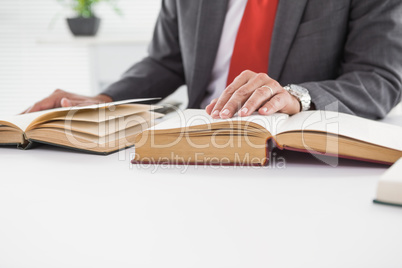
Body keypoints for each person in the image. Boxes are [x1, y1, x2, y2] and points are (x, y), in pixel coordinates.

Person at [24, 0, 402, 120]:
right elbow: (165, 61)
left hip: (301, 152)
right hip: (194, 138)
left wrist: (296, 97)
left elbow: (379, 77)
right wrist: (106, 100)